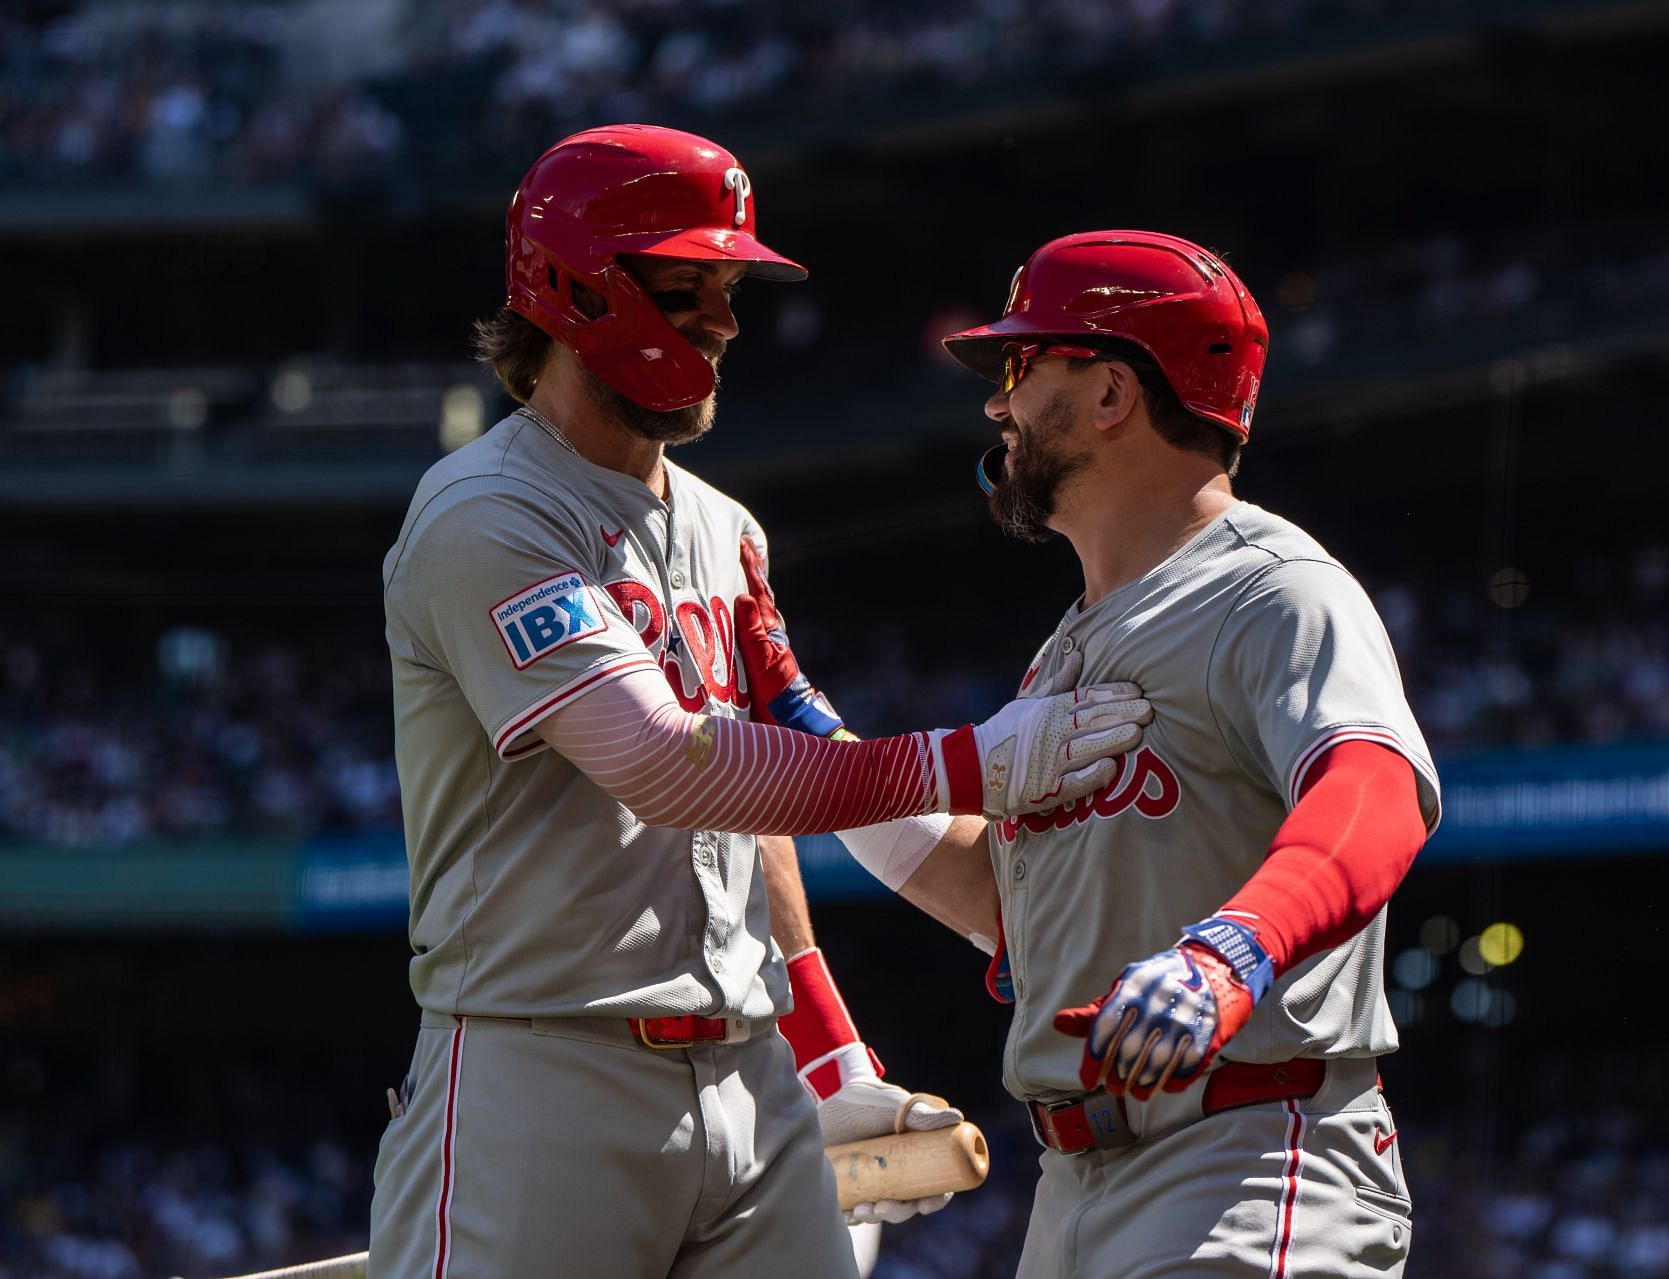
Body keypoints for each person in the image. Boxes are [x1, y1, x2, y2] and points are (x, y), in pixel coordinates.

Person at [367, 128, 1151, 1279]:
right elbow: (671, 763)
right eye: (690, 289)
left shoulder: (727, 528)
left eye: (729, 291)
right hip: (543, 1066)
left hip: (745, 1067)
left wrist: (827, 1052)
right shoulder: (485, 510)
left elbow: (768, 778)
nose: (725, 324)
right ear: (574, 284)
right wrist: (967, 761)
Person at [741, 230, 1442, 1278]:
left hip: (1245, 1157)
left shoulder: (1273, 589)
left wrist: (1234, 949)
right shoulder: (1068, 647)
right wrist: (800, 718)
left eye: (1022, 369)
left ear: (1112, 393)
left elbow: (1379, 789)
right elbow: (1003, 903)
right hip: (1075, 1186)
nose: (996, 406)